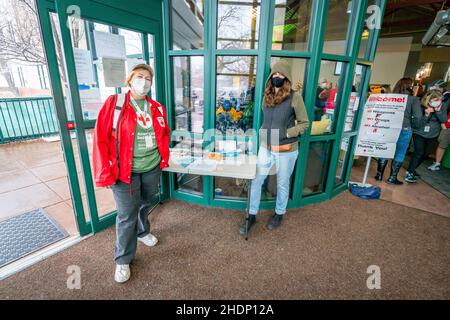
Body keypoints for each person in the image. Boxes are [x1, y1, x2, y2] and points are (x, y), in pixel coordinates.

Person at [92, 64, 170, 283]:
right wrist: (104, 172)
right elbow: (100, 139)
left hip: (152, 167)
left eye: (148, 78)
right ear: (129, 79)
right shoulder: (114, 104)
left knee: (146, 202)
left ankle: (143, 231)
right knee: (126, 215)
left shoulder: (157, 107)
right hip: (124, 171)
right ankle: (123, 259)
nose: (144, 81)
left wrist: (163, 156)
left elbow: (164, 133)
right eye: (139, 76)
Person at [239, 60, 309, 235]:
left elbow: (305, 123)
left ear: (287, 77)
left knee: (282, 183)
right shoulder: (266, 95)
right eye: (275, 74)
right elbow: (266, 119)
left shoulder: (295, 97)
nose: (277, 77)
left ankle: (279, 214)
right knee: (256, 180)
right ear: (271, 76)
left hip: (286, 148)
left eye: (281, 74)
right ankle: (252, 214)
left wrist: (287, 133)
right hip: (266, 146)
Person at [374, 78, 420, 184]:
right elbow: (417, 117)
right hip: (404, 128)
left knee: (386, 149)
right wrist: (415, 126)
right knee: (400, 152)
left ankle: (379, 175)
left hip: (389, 127)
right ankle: (392, 178)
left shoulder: (391, 97)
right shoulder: (413, 99)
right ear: (410, 86)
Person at [405, 90, 447, 183]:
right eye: (437, 99)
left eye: (440, 100)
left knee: (425, 153)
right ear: (430, 99)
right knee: (418, 152)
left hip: (433, 134)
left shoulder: (442, 106)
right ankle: (410, 173)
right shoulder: (420, 105)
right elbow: (417, 124)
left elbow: (444, 119)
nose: (439, 101)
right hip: (419, 133)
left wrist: (438, 111)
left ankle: (411, 169)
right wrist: (427, 114)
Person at [428, 81, 450, 171]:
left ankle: (437, 163)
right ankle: (437, 163)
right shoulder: (446, 97)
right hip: (446, 124)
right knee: (442, 144)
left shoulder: (447, 96)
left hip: (446, 124)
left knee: (442, 144)